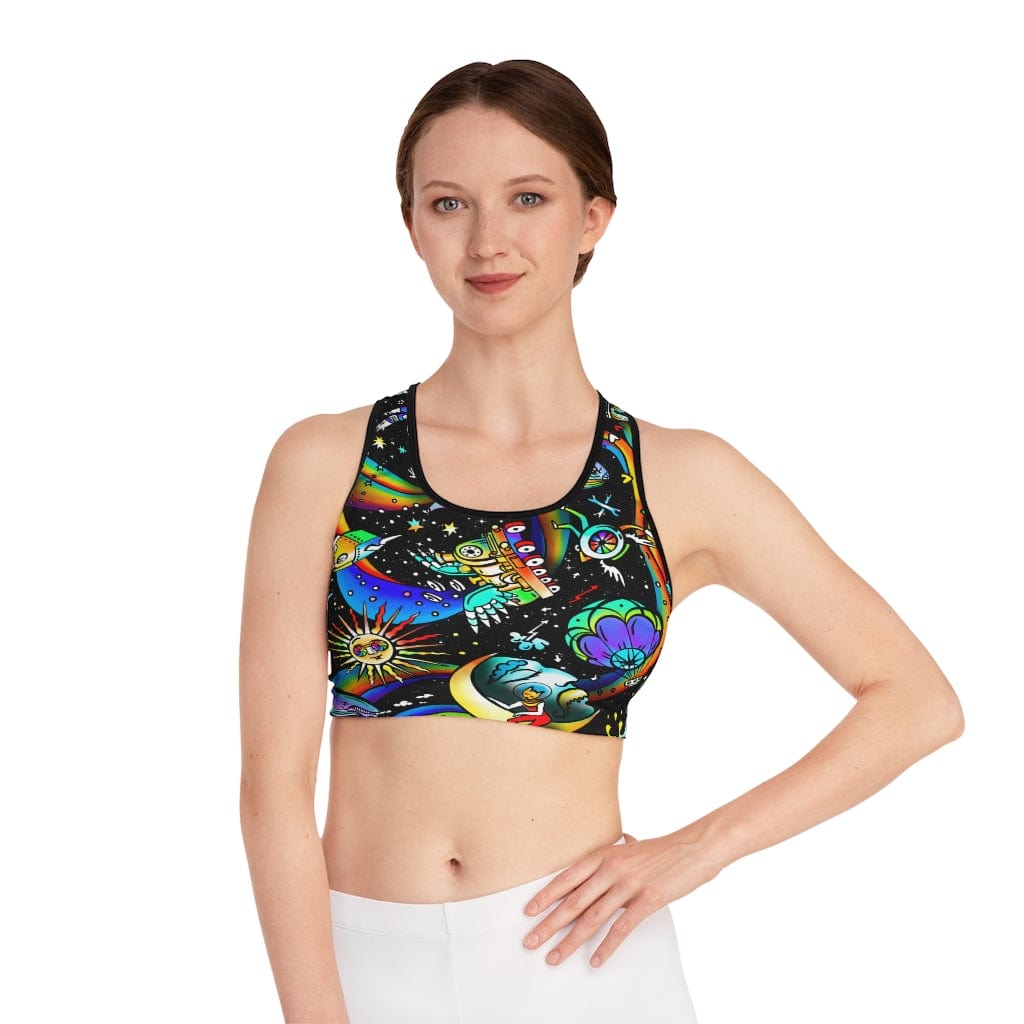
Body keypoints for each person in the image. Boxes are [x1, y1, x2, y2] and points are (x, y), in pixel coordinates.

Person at [239, 59, 963, 1024]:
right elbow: (273, 789)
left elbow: (916, 702)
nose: (488, 241)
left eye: (528, 198)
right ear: (411, 225)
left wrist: (698, 848)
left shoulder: (680, 475)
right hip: (363, 967)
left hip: (586, 968)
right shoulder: (326, 460)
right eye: (449, 203)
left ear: (592, 218)